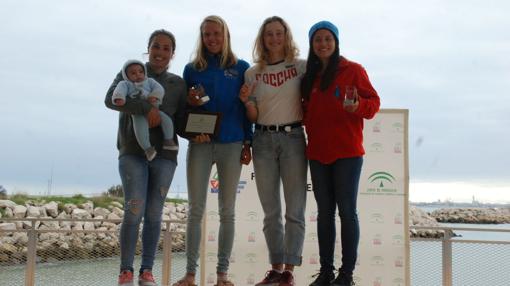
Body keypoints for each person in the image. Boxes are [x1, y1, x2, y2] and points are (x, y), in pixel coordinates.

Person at [172, 15, 252, 286]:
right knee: (195, 210)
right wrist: (192, 106)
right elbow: (186, 111)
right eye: (207, 34)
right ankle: (191, 274)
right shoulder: (192, 68)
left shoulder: (241, 67)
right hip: (201, 145)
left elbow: (246, 107)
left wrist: (248, 142)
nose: (212, 38)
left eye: (217, 33)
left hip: (232, 143)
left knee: (227, 211)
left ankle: (222, 275)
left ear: (225, 35)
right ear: (202, 37)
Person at [105, 29, 187, 286]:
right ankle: (125, 271)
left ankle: (147, 272)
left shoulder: (177, 83)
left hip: (165, 154)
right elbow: (110, 100)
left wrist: (202, 126)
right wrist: (146, 107)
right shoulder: (130, 71)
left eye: (166, 48)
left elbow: (182, 122)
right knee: (134, 210)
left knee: (154, 214)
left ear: (172, 53)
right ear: (148, 48)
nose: (160, 52)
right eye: (156, 46)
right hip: (132, 151)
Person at [300, 21, 380, 286]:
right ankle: (326, 273)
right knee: (324, 213)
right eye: (317, 40)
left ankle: (346, 275)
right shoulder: (309, 76)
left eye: (327, 39)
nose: (323, 44)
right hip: (317, 153)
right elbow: (304, 111)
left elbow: (373, 104)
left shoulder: (353, 70)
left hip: (347, 153)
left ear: (336, 43)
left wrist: (357, 105)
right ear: (312, 45)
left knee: (347, 212)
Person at [239, 16, 307, 286]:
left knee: (295, 209)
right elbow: (254, 116)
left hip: (293, 137)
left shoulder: (301, 67)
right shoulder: (252, 73)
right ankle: (276, 269)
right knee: (270, 212)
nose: (274, 39)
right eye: (269, 34)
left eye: (279, 33)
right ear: (262, 38)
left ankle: (289, 270)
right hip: (263, 139)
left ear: (286, 36)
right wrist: (246, 101)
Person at [112, 59, 178, 161]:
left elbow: (159, 89)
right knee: (140, 130)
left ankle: (168, 140)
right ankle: (148, 149)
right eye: (133, 73)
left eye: (140, 72)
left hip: (154, 109)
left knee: (167, 120)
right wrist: (119, 98)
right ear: (126, 75)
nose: (138, 75)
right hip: (137, 113)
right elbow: (119, 91)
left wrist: (154, 96)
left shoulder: (149, 81)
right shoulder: (125, 84)